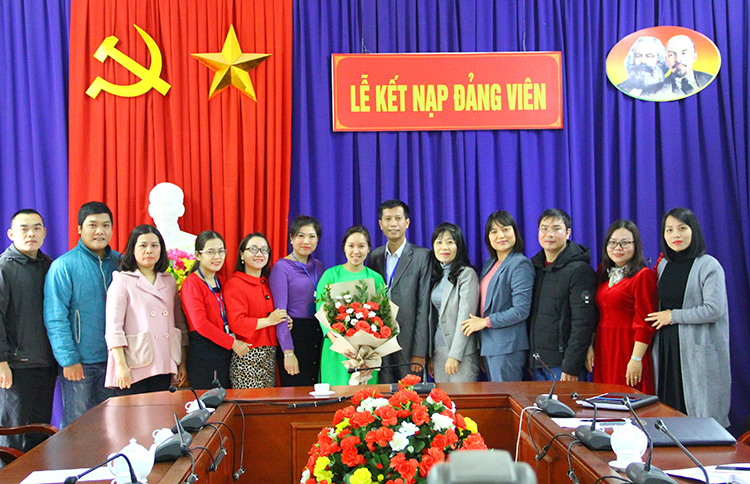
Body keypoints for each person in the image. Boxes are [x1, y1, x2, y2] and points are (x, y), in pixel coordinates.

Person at [646, 208, 730, 426]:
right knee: (669, 413)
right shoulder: (663, 265)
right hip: (667, 348)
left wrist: (673, 316)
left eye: (682, 228)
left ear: (694, 231)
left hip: (697, 351)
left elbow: (714, 310)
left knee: (700, 416)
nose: (676, 234)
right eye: (669, 230)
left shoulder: (708, 265)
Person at [44, 201, 120, 427]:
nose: (100, 231)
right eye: (92, 225)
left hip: (115, 360)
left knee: (113, 423)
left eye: (105, 225)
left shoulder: (121, 263)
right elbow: (55, 317)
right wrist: (68, 359)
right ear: (79, 228)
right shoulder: (64, 266)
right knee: (75, 426)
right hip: (81, 362)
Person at [104, 225, 188, 394]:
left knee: (160, 409)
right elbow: (114, 328)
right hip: (135, 363)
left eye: (154, 245)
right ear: (132, 250)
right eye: (143, 245)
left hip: (164, 360)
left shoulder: (169, 280)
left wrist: (182, 362)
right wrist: (120, 365)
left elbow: (179, 324)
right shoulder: (122, 281)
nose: (149, 250)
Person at [0, 209, 55, 452]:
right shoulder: (4, 268)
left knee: (39, 435)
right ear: (11, 234)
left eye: (36, 228)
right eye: (24, 229)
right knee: (11, 436)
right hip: (15, 367)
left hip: (45, 364)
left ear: (44, 233)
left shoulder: (50, 266)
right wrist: (1, 362)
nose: (31, 233)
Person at [461, 211, 534, 382]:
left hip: (508, 347)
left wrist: (484, 322)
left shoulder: (520, 264)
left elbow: (521, 311)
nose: (500, 236)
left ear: (515, 232)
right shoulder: (490, 263)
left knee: (506, 395)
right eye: (494, 231)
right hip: (490, 345)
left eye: (505, 229)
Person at [586, 220, 657, 393]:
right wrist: (590, 346)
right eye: (613, 242)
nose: (618, 248)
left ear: (635, 245)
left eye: (625, 243)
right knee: (604, 397)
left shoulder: (643, 275)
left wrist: (636, 358)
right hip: (604, 345)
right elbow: (595, 314)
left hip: (628, 346)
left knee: (628, 396)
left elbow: (645, 322)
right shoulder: (602, 271)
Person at [527, 208, 598, 381]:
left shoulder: (580, 270)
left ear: (568, 233)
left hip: (563, 366)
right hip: (538, 363)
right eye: (544, 229)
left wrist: (572, 365)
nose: (549, 234)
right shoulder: (535, 267)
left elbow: (583, 322)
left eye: (556, 229)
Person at [368, 200, 431, 382]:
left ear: (407, 222)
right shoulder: (374, 256)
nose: (393, 224)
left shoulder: (422, 256)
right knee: (382, 394)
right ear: (380, 224)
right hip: (380, 341)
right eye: (388, 219)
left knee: (411, 395)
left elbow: (424, 306)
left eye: (398, 218)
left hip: (409, 343)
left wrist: (420, 351)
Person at [317, 226, 385, 386]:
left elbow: (383, 316)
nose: (356, 251)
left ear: (369, 248)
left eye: (361, 246)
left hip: (366, 353)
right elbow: (321, 310)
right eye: (351, 245)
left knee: (365, 397)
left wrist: (368, 352)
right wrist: (337, 343)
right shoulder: (330, 275)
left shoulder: (376, 278)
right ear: (344, 248)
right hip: (336, 349)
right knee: (336, 395)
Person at [181, 231, 249, 389]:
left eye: (221, 251)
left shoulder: (223, 281)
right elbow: (201, 324)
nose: (217, 256)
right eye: (210, 252)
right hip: (204, 353)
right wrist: (232, 343)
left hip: (225, 351)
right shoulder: (192, 283)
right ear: (198, 255)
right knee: (210, 401)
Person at [225, 233, 291, 389]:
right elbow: (237, 323)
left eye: (264, 250)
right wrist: (269, 321)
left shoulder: (267, 282)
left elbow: (273, 315)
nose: (259, 254)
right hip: (248, 357)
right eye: (253, 249)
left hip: (270, 357)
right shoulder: (235, 284)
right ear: (242, 254)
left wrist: (283, 320)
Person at [269, 216, 324, 387]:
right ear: (291, 238)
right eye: (301, 235)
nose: (306, 241)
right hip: (294, 335)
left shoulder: (319, 266)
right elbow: (280, 313)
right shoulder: (281, 267)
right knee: (297, 391)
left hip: (317, 334)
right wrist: (288, 351)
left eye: (312, 236)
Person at [427, 223, 479, 383]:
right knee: (441, 398)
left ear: (459, 246)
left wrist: (455, 355)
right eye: (439, 242)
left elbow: (465, 318)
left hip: (460, 353)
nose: (444, 247)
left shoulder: (467, 274)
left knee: (461, 398)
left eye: (450, 242)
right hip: (439, 351)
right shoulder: (437, 276)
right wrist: (432, 355)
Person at [655, 35, 714, 99]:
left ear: (694, 57)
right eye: (671, 55)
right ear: (666, 59)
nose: (678, 59)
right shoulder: (655, 91)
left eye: (684, 53)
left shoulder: (710, 80)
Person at [148, 182, 197, 252]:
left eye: (168, 205)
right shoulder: (142, 245)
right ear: (150, 210)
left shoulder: (194, 243)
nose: (162, 211)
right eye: (157, 205)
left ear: (181, 209)